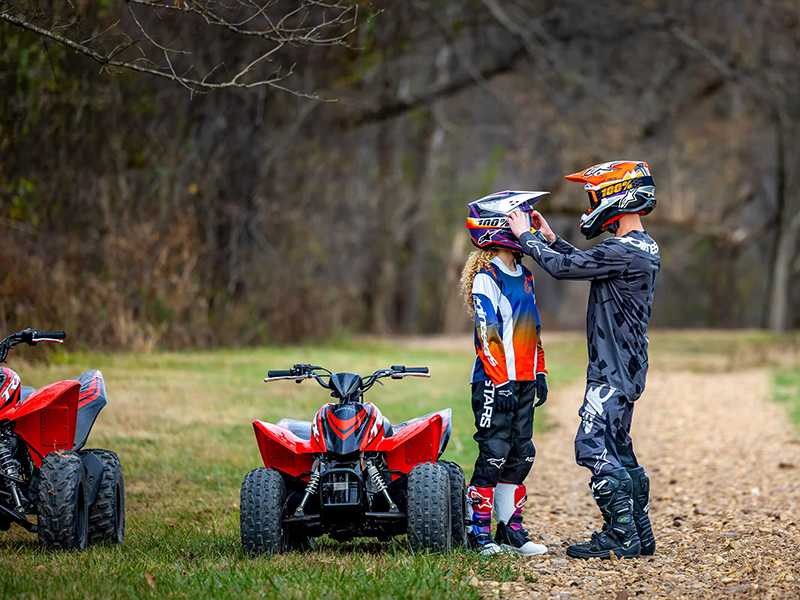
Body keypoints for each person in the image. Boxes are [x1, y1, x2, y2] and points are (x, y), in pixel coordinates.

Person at [507, 161, 659, 560]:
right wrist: (549, 237)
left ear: (616, 197)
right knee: (618, 445)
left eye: (595, 196)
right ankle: (640, 534)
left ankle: (621, 535)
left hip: (611, 367)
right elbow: (585, 262)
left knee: (591, 444)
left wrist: (525, 237)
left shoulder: (622, 250)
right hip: (625, 364)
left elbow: (563, 269)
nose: (591, 204)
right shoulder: (639, 248)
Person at [462, 190, 550, 556]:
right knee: (494, 452)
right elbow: (488, 334)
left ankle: (510, 530)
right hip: (494, 382)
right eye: (520, 218)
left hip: (525, 379)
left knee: (521, 453)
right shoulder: (487, 276)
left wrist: (539, 371)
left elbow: (533, 328)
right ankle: (477, 532)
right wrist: (500, 381)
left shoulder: (525, 276)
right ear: (499, 227)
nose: (527, 223)